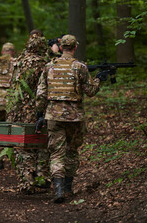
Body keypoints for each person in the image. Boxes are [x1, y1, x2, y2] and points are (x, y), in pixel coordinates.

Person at [36, 34, 106, 203]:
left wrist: (40, 114)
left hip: (54, 116)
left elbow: (40, 95)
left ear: (60, 48)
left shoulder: (49, 66)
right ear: (75, 48)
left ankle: (58, 189)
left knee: (57, 153)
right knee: (72, 152)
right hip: (75, 117)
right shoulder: (80, 67)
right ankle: (68, 187)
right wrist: (98, 79)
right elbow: (90, 91)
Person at [6, 31, 52, 194]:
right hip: (37, 109)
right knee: (41, 143)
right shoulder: (45, 63)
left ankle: (26, 181)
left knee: (21, 145)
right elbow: (44, 87)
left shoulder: (19, 61)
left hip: (18, 109)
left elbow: (12, 85)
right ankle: (43, 177)